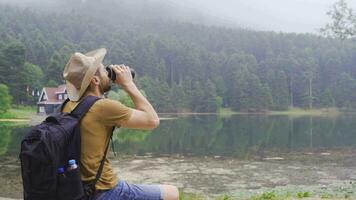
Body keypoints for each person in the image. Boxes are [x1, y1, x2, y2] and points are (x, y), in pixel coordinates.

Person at [62, 48, 179, 200]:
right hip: (102, 191)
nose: (108, 73)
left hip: (76, 189)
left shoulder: (67, 105)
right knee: (172, 193)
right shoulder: (103, 107)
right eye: (104, 70)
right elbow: (152, 120)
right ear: (95, 80)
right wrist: (128, 84)